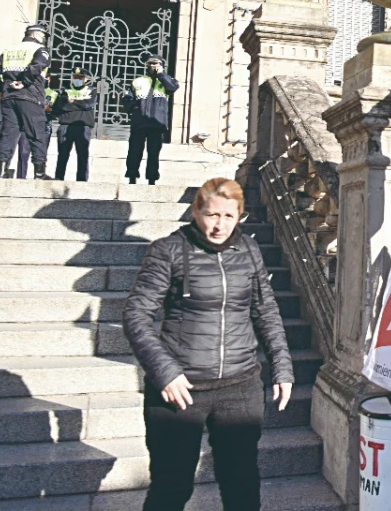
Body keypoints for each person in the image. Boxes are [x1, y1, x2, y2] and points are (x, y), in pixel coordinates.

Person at [123, 178, 293, 511]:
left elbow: (265, 310)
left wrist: (282, 366)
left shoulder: (249, 250)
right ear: (196, 211)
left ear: (240, 216)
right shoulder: (167, 250)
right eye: (212, 215)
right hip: (181, 390)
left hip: (240, 387)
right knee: (171, 488)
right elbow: (136, 315)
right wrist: (165, 372)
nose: (219, 226)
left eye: (229, 217)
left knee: (242, 486)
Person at [0, 23, 52, 179]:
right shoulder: (39, 50)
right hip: (30, 96)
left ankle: (1, 170)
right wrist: (24, 82)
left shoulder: (10, 50)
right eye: (43, 36)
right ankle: (39, 173)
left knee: (8, 134)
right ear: (35, 35)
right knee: (37, 134)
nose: (44, 39)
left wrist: (2, 87)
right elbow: (38, 66)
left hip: (9, 98)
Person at [124, 56, 179, 186]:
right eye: (150, 64)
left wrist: (160, 74)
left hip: (157, 122)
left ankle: (152, 178)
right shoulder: (138, 81)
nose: (153, 66)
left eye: (156, 64)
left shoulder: (167, 80)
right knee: (134, 150)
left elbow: (172, 88)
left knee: (153, 152)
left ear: (161, 65)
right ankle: (132, 175)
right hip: (139, 121)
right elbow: (127, 99)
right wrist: (135, 108)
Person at [53, 68, 95, 182]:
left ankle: (82, 181)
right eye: (75, 77)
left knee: (82, 156)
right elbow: (60, 106)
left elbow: (88, 105)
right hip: (65, 125)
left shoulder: (91, 90)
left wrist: (73, 102)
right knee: (62, 154)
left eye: (80, 78)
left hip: (83, 126)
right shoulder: (65, 90)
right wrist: (79, 104)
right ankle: (58, 178)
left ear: (85, 79)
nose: (77, 80)